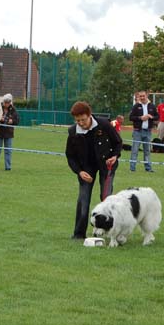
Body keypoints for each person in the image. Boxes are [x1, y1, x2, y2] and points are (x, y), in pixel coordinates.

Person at [65, 101, 122, 239]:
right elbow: (70, 156)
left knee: (106, 198)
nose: (81, 123)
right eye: (77, 120)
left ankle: (111, 231)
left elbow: (118, 142)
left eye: (83, 120)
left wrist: (114, 156)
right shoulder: (73, 132)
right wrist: (79, 171)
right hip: (86, 168)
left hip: (106, 164)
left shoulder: (104, 124)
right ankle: (79, 234)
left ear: (89, 115)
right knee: (83, 199)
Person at [128, 90, 159, 172]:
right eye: (140, 96)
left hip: (148, 131)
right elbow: (131, 117)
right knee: (135, 150)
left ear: (146, 96)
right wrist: (140, 118)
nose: (142, 97)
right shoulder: (136, 106)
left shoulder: (152, 106)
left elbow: (157, 116)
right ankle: (132, 168)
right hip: (137, 131)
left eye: (143, 96)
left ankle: (148, 168)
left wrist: (150, 116)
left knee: (147, 151)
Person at [0, 93, 19, 171]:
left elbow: (17, 120)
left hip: (9, 133)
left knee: (8, 151)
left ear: (10, 102)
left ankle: (8, 167)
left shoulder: (13, 110)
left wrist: (12, 121)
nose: (7, 103)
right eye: (5, 102)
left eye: (8, 102)